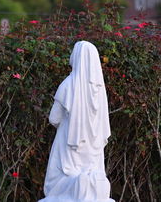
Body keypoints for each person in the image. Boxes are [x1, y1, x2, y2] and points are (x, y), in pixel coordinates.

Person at [39, 41, 114, 202]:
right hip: (94, 146)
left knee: (57, 179)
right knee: (89, 174)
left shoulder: (68, 84)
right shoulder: (99, 90)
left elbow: (54, 118)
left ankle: (75, 186)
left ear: (78, 57)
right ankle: (87, 185)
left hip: (68, 143)